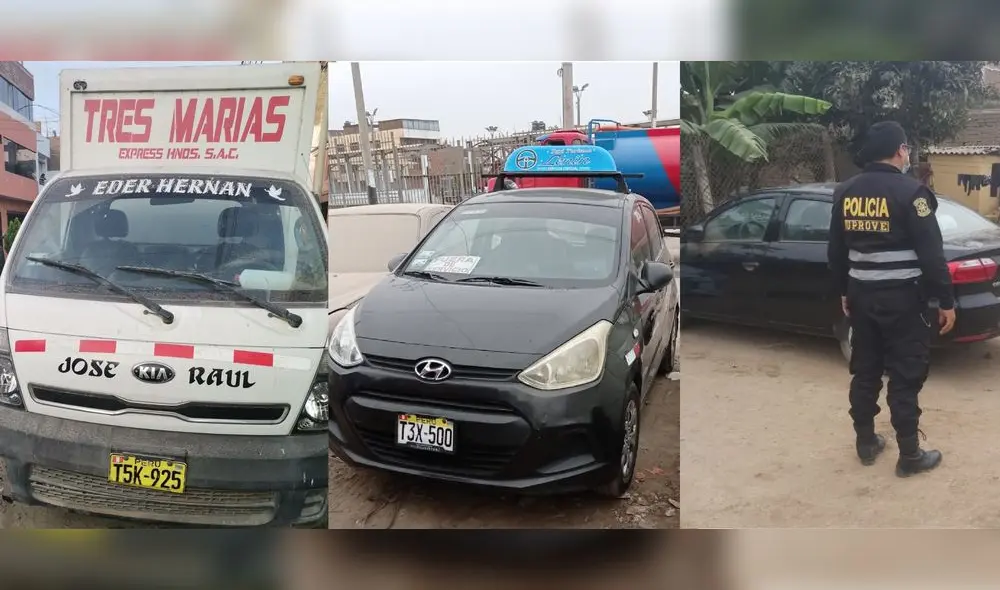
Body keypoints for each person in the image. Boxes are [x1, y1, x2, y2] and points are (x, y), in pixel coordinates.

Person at [827, 121, 955, 477]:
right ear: (900, 150)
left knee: (865, 370)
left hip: (861, 299)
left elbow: (835, 251)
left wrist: (843, 292)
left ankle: (866, 442)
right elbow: (932, 256)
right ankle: (910, 456)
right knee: (905, 374)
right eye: (907, 149)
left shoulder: (845, 192)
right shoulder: (912, 193)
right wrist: (946, 300)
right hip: (903, 302)